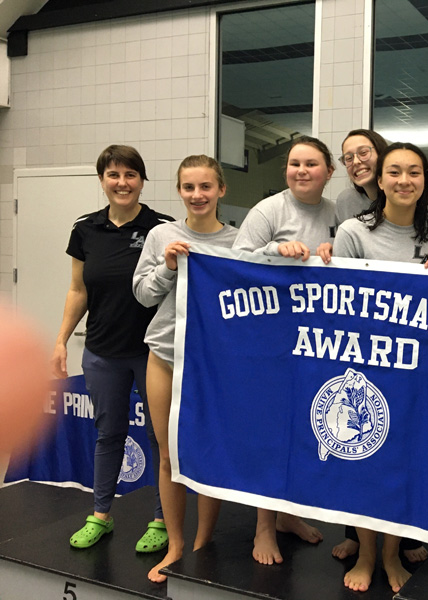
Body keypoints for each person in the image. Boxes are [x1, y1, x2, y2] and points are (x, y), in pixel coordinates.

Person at [332, 142, 428, 593]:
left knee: (407, 462)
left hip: (420, 369)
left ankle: (391, 552)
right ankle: (365, 552)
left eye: (414, 172)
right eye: (394, 172)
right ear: (379, 181)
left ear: (425, 182)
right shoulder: (352, 231)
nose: (404, 180)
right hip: (365, 367)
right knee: (363, 462)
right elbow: (335, 301)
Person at [52, 145, 173, 552]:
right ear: (102, 180)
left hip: (152, 353)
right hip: (101, 351)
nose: (122, 183)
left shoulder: (163, 228)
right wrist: (60, 340)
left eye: (131, 175)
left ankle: (162, 520)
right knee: (109, 435)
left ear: (142, 180)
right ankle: (100, 515)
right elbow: (78, 289)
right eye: (114, 175)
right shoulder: (85, 230)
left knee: (160, 439)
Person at [133, 155, 238, 583]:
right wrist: (168, 267)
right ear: (179, 191)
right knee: (167, 454)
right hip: (164, 355)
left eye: (206, 187)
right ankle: (176, 544)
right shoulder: (162, 234)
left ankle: (202, 541)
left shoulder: (237, 240)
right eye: (189, 187)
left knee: (208, 453)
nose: (198, 195)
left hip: (213, 364)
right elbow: (141, 295)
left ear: (221, 190)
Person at [232, 135, 335, 564]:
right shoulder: (269, 210)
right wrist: (275, 250)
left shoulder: (338, 210)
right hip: (275, 341)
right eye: (294, 163)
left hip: (323, 338)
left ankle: (288, 515)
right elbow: (234, 263)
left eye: (311, 164)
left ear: (329, 172)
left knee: (305, 434)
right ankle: (263, 527)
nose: (301, 171)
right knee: (274, 434)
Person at [335, 129, 428, 232]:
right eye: (348, 158)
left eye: (364, 153)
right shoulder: (346, 200)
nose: (356, 162)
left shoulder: (421, 194)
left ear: (382, 156)